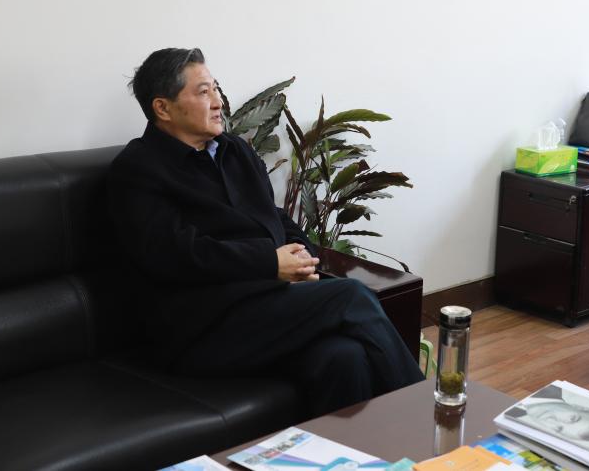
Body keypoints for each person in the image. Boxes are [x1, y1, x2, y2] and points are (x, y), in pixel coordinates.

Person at [108, 47, 423, 417]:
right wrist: (268, 263)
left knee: (343, 356)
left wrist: (303, 257)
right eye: (204, 92)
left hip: (269, 309)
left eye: (215, 88)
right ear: (163, 108)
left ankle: (362, 448)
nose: (218, 102)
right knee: (350, 296)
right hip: (202, 330)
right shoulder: (138, 170)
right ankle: (423, 419)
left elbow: (273, 216)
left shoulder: (234, 151)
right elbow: (175, 255)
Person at [505, 385, 589, 443]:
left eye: (559, 429)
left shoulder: (508, 418)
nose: (552, 422)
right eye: (571, 419)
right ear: (580, 407)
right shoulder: (550, 386)